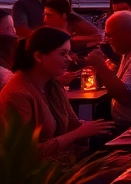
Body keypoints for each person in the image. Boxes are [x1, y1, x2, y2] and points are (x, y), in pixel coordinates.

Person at [0, 27, 114, 160]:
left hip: (64, 164)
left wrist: (97, 128)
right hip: (40, 177)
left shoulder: (52, 85)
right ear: (38, 56)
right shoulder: (18, 95)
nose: (69, 59)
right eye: (63, 54)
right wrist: (78, 133)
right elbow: (24, 153)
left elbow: (72, 123)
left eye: (69, 53)